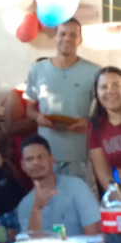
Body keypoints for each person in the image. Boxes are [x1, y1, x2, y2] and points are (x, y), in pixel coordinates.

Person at [25, 18, 100, 191]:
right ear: (55, 37)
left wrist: (89, 124)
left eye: (73, 35)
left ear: (80, 40)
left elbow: (103, 113)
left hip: (80, 156)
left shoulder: (94, 71)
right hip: (46, 156)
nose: (67, 38)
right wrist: (38, 117)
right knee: (50, 204)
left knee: (82, 203)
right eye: (63, 34)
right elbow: (30, 110)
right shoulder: (37, 70)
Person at [88, 67, 121, 192]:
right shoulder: (95, 126)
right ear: (96, 93)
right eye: (104, 87)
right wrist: (116, 195)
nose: (110, 91)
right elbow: (103, 172)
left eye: (116, 85)